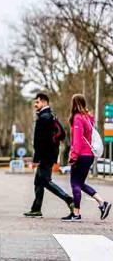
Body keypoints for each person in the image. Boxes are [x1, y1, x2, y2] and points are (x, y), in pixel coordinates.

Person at [24, 93, 74, 218]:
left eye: (37, 102)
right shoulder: (52, 116)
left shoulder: (44, 118)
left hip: (45, 155)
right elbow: (62, 135)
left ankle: (69, 200)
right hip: (50, 154)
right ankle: (36, 209)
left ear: (44, 102)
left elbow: (40, 140)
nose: (35, 105)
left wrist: (37, 158)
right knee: (38, 182)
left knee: (45, 181)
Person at [62, 94, 111, 222]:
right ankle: (102, 203)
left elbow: (77, 141)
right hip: (88, 155)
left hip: (81, 155)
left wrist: (73, 156)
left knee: (75, 184)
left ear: (74, 104)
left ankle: (76, 214)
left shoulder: (78, 118)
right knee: (80, 183)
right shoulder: (88, 118)